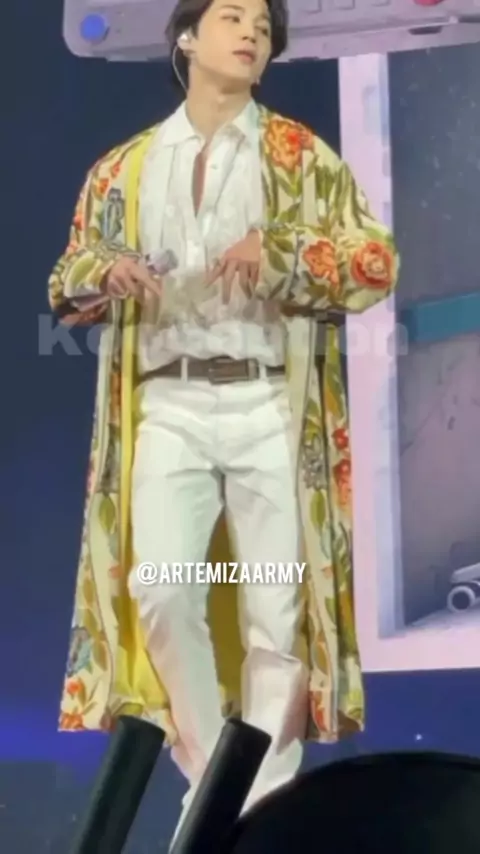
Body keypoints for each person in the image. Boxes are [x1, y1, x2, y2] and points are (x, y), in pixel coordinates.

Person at [49, 0, 399, 833]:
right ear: (187, 36)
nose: (251, 36)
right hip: (166, 400)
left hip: (268, 401)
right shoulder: (125, 168)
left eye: (264, 30)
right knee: (162, 592)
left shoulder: (298, 156)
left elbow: (374, 260)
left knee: (275, 612)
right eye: (233, 18)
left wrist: (279, 251)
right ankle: (225, 788)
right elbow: (66, 278)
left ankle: (248, 808)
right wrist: (107, 270)